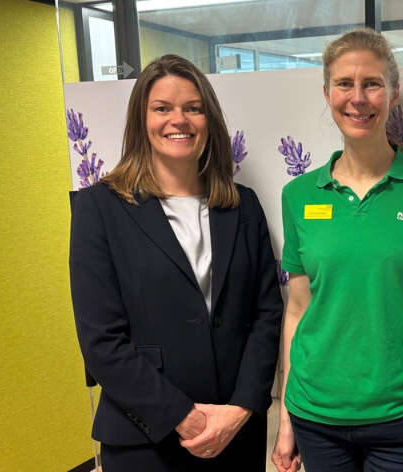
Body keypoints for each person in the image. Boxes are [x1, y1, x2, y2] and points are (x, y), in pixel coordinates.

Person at [69, 54, 282, 471]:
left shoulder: (242, 206)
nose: (178, 120)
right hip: (145, 438)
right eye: (162, 108)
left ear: (209, 120)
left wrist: (240, 409)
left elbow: (266, 316)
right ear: (141, 120)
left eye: (193, 108)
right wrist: (185, 418)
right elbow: (101, 341)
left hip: (235, 434)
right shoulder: (100, 208)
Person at [271, 28, 403, 472]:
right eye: (344, 84)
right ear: (327, 93)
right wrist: (285, 418)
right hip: (315, 414)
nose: (358, 98)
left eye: (372, 84)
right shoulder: (298, 195)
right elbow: (297, 311)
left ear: (393, 94)